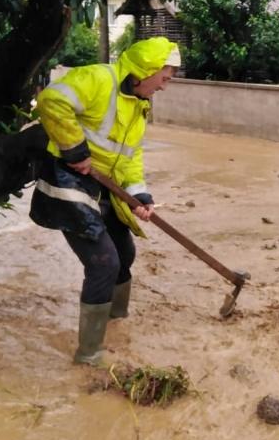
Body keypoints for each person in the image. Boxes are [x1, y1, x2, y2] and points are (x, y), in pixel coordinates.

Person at [30, 37, 182, 364]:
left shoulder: (138, 107)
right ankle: (90, 354)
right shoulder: (100, 79)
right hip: (68, 180)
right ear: (147, 71)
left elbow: (130, 158)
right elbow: (51, 100)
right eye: (165, 79)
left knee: (124, 253)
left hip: (105, 187)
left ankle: (117, 320)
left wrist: (140, 195)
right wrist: (74, 149)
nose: (165, 87)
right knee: (103, 263)